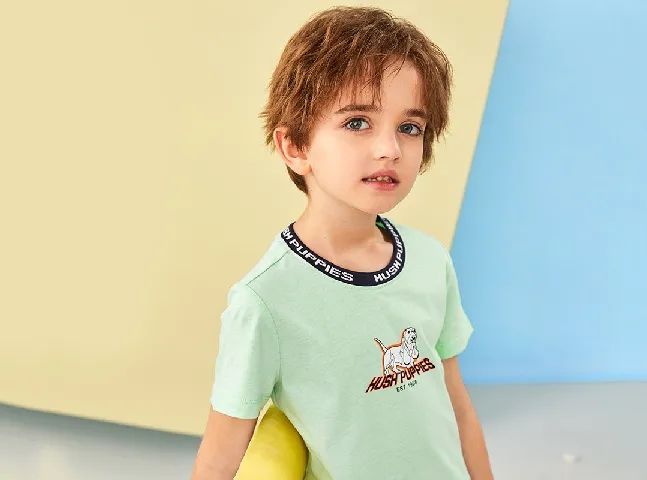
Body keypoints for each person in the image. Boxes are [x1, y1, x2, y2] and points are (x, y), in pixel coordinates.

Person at [192, 5, 494, 480]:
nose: (389, 149)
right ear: (296, 147)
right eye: (357, 122)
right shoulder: (265, 302)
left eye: (409, 128)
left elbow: (457, 407)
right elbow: (221, 453)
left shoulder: (430, 261)